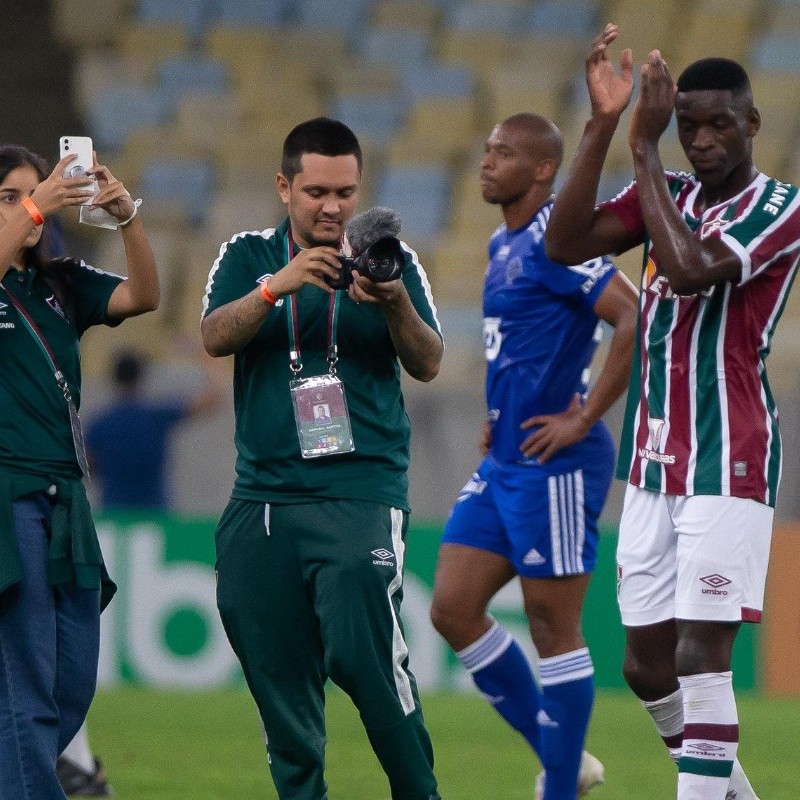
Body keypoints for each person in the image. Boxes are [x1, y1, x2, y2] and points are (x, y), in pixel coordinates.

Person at [545, 24, 800, 800]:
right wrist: (601, 125)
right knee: (647, 664)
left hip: (731, 456)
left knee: (700, 656)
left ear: (752, 124)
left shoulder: (782, 207)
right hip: (655, 456)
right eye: (688, 125)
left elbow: (688, 271)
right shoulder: (673, 189)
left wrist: (646, 148)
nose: (702, 139)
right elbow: (564, 243)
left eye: (719, 123)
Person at [201, 117, 444, 800]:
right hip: (263, 500)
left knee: (367, 664)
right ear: (284, 187)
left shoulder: (391, 260)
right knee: (281, 689)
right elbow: (215, 336)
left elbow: (428, 362)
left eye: (345, 191)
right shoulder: (248, 255)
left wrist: (393, 301)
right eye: (315, 191)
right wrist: (279, 286)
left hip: (359, 494)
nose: (333, 207)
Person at [429, 113, 638, 800]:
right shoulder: (500, 241)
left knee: (553, 626)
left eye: (504, 153)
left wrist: (582, 417)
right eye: (486, 149)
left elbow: (632, 315)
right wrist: (497, 413)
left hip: (556, 462)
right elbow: (516, 345)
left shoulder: (559, 240)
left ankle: (558, 788)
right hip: (507, 456)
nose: (486, 162)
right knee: (452, 609)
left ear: (543, 170)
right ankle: (565, 761)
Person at [0, 143, 159, 799]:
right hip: (9, 498)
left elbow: (146, 296)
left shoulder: (59, 284)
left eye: (36, 193)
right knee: (29, 682)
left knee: (71, 680)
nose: (32, 207)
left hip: (66, 499)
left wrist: (127, 218)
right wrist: (37, 204)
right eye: (10, 196)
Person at [84, 346, 225, 511]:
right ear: (140, 377)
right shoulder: (155, 416)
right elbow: (212, 398)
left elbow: (87, 468)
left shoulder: (100, 423)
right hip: (155, 513)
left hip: (115, 514)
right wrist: (206, 354)